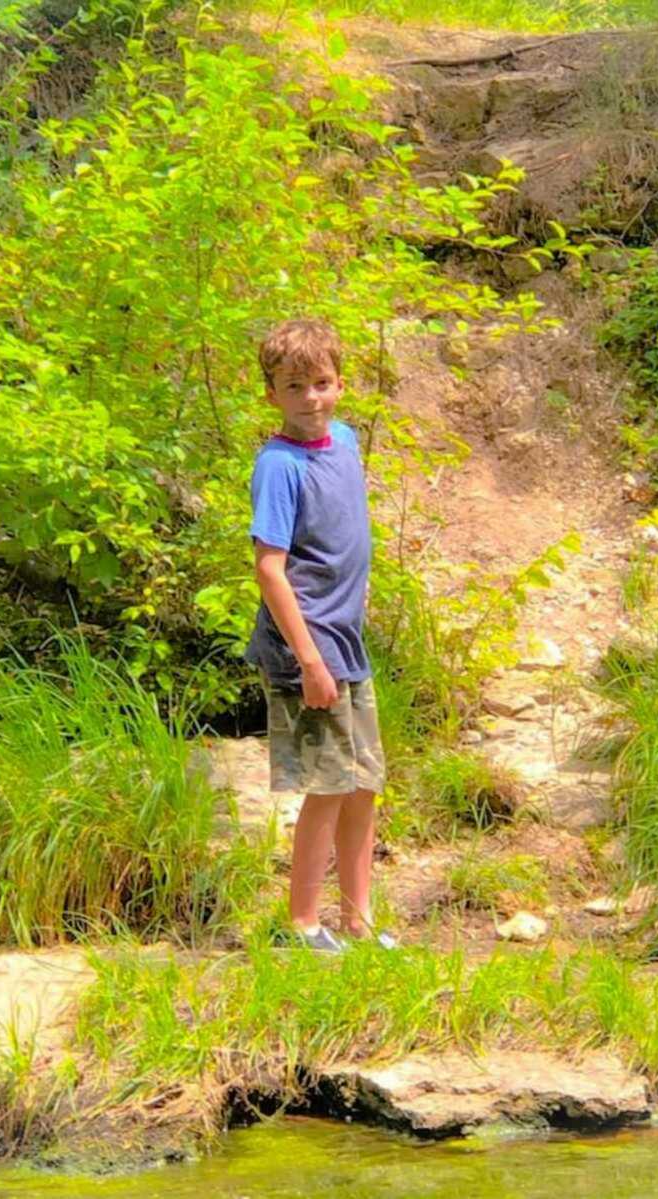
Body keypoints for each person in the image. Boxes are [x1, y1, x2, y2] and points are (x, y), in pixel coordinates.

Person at [245, 317, 393, 953]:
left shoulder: (348, 443)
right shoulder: (278, 465)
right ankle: (302, 924)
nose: (311, 398)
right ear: (272, 394)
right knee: (329, 785)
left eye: (323, 383)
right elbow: (269, 567)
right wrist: (309, 661)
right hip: (307, 649)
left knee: (364, 783)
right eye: (294, 385)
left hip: (347, 641)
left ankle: (359, 922)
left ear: (341, 384)